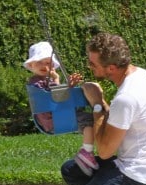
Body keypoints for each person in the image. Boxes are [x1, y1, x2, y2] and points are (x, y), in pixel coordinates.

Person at [57, 32, 146, 185]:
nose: (89, 66)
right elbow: (116, 122)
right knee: (72, 170)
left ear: (111, 67)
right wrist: (101, 102)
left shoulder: (127, 97)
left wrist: (96, 103)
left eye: (93, 64)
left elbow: (104, 152)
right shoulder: (141, 75)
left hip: (137, 176)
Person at [24, 41, 99, 176]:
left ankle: (92, 150)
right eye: (39, 62)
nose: (44, 66)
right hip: (55, 120)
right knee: (91, 122)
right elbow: (57, 96)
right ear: (30, 65)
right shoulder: (36, 83)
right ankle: (86, 152)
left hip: (58, 117)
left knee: (90, 120)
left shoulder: (44, 82)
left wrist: (60, 80)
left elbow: (58, 95)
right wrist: (68, 85)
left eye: (48, 63)